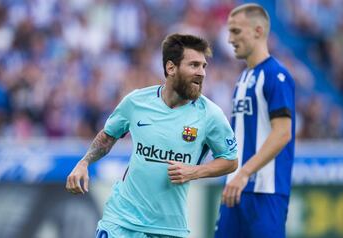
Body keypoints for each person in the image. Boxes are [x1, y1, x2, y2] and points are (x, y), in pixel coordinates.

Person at [66, 33, 238, 238]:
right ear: (171, 68)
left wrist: (195, 172)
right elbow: (108, 136)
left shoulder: (211, 115)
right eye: (193, 65)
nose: (201, 73)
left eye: (203, 66)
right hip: (121, 222)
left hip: (169, 229)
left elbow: (230, 160)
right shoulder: (136, 101)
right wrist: (84, 162)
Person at [215, 3, 295, 238]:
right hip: (235, 188)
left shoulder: (276, 76)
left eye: (236, 31)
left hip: (265, 192)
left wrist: (244, 173)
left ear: (258, 31)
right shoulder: (242, 79)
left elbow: (283, 133)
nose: (229, 39)